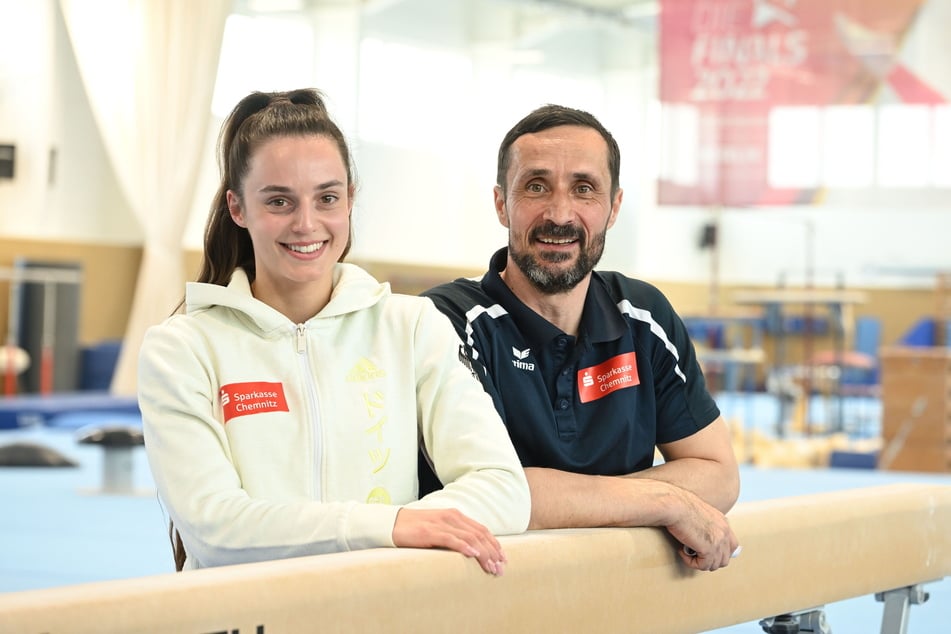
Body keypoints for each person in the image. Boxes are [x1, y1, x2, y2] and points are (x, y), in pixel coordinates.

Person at [137, 88, 530, 576]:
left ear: (350, 202)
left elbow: (504, 488)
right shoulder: (181, 349)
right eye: (279, 201)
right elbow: (216, 528)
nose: (307, 224)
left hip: (374, 611)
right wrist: (389, 527)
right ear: (238, 208)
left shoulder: (410, 327)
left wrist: (402, 524)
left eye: (327, 198)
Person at [422, 104, 741, 572]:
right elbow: (496, 491)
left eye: (584, 189)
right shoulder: (447, 321)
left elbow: (719, 475)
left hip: (613, 599)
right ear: (500, 203)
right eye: (535, 186)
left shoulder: (643, 317)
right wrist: (667, 502)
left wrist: (588, 501)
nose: (560, 214)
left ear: (613, 208)